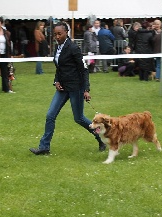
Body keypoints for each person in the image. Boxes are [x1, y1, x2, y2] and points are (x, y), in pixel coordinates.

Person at [29, 22, 106, 155]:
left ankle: (101, 138)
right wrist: (56, 81)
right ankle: (44, 147)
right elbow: (60, 68)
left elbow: (84, 70)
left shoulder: (73, 48)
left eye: (60, 34)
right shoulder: (58, 48)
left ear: (66, 33)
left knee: (79, 118)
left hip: (76, 88)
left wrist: (86, 89)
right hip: (62, 88)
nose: (57, 37)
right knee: (50, 115)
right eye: (55, 34)